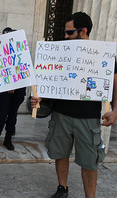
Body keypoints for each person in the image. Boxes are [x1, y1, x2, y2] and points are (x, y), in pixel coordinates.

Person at [31, 12, 117, 198]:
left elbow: (115, 84)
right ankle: (62, 188)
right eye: (66, 33)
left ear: (83, 31)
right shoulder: (60, 51)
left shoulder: (104, 53)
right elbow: (51, 80)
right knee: (60, 153)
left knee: (89, 162)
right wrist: (39, 98)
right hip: (61, 114)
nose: (66, 36)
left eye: (70, 33)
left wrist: (115, 111)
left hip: (88, 118)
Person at [0, 27, 26, 151]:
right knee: (1, 114)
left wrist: (14, 86)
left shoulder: (22, 51)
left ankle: (8, 139)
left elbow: (24, 69)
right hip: (3, 90)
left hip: (18, 89)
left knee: (12, 115)